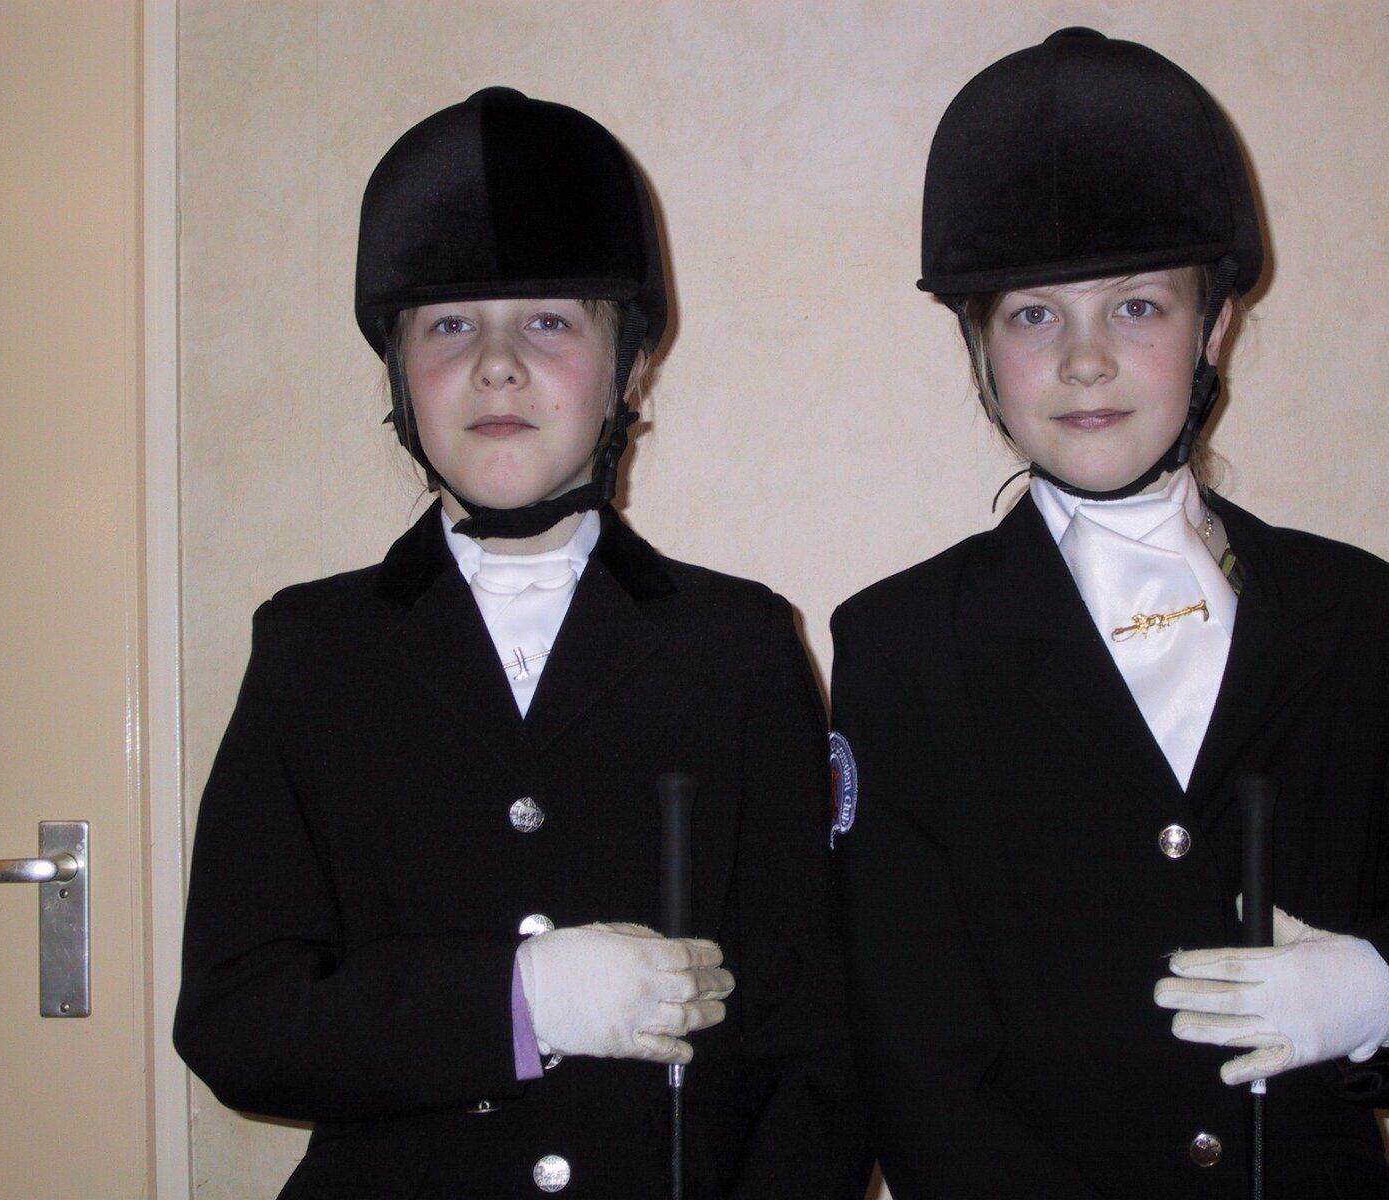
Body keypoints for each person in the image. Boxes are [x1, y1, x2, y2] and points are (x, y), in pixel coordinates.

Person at [829, 29, 1389, 1200]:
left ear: (1213, 327)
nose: (1086, 360)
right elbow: (911, 1051)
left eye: (1136, 307)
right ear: (978, 347)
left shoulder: (1373, 620)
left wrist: (1378, 991)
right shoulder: (899, 646)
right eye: (1032, 315)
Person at [175, 87, 869, 1200]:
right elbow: (236, 1020)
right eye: (450, 326)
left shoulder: (737, 643)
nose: (496, 365)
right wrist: (516, 1000)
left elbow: (817, 1043)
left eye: (548, 321)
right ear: (398, 373)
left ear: (627, 368)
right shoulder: (311, 649)